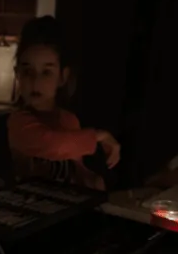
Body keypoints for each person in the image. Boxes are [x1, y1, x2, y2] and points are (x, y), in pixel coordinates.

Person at [7, 15, 120, 190]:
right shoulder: (18, 122)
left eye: (46, 72)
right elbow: (53, 144)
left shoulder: (68, 120)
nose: (35, 81)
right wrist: (99, 136)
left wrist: (92, 181)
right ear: (17, 75)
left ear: (62, 77)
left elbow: (75, 167)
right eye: (27, 71)